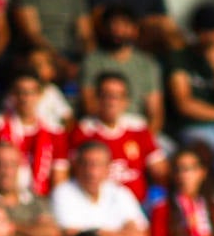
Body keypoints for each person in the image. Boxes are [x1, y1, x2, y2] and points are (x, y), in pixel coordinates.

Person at [50, 141, 149, 236]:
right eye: (86, 164)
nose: (92, 171)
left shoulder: (120, 193)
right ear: (76, 166)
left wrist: (101, 234)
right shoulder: (64, 192)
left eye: (98, 165)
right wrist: (121, 234)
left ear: (108, 168)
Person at [70, 71, 166, 205]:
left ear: (126, 101)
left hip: (139, 206)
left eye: (117, 96)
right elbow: (75, 173)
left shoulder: (138, 127)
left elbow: (160, 170)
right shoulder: (84, 131)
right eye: (107, 95)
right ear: (97, 99)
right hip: (99, 206)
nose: (112, 102)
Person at [166, 3, 214, 158]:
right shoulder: (180, 58)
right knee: (203, 150)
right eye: (208, 31)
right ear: (196, 31)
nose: (213, 36)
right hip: (192, 127)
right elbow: (184, 104)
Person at [0, 72, 69, 197]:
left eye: (30, 92)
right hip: (1, 197)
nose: (25, 98)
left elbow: (59, 179)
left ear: (40, 95)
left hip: (40, 200)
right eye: (20, 92)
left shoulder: (55, 131)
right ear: (12, 95)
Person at [80, 7, 162, 133]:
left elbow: (155, 113)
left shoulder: (147, 64)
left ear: (135, 30)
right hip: (101, 126)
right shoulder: (92, 62)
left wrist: (146, 141)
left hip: (137, 127)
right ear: (104, 29)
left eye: (124, 25)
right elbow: (89, 105)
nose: (117, 30)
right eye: (113, 25)